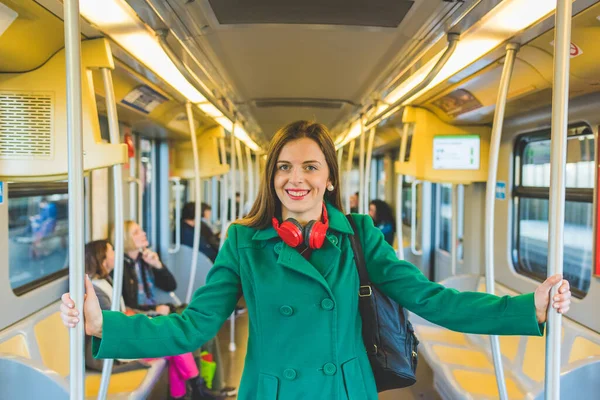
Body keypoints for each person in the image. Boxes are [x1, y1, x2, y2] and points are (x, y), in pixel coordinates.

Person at [61, 121, 572, 400]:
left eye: (309, 165)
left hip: (343, 389)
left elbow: (431, 299)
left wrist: (529, 307)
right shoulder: (243, 241)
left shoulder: (362, 238)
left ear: (329, 177)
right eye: (283, 167)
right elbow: (195, 325)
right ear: (272, 178)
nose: (295, 177)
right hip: (272, 390)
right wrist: (102, 324)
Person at [83, 239, 224, 400]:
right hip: (111, 351)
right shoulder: (97, 289)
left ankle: (188, 392)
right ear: (102, 259)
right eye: (112, 252)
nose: (116, 255)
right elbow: (111, 322)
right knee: (171, 346)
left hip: (124, 333)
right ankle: (194, 386)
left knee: (172, 344)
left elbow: (126, 309)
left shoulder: (107, 281)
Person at [115, 221, 177, 315]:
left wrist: (157, 265)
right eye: (136, 233)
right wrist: (155, 309)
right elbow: (128, 304)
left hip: (152, 311)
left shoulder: (145, 259)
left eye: (141, 230)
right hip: (138, 315)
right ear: (125, 239)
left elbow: (171, 286)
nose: (143, 233)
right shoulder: (121, 266)